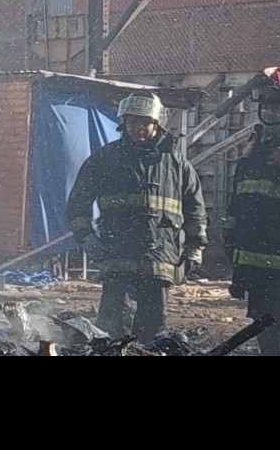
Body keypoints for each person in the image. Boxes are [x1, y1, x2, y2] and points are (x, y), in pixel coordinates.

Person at [66, 91, 209, 343]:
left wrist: (195, 247)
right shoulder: (105, 159)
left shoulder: (177, 164)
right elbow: (78, 202)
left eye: (145, 123)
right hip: (118, 257)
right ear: (123, 123)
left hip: (160, 260)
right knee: (112, 329)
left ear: (157, 124)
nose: (138, 128)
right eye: (132, 122)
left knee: (152, 331)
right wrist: (86, 237)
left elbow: (194, 208)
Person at [224, 67, 280, 355]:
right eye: (267, 108)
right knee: (264, 325)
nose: (270, 113)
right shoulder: (255, 146)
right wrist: (232, 243)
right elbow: (241, 201)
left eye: (277, 108)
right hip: (256, 259)